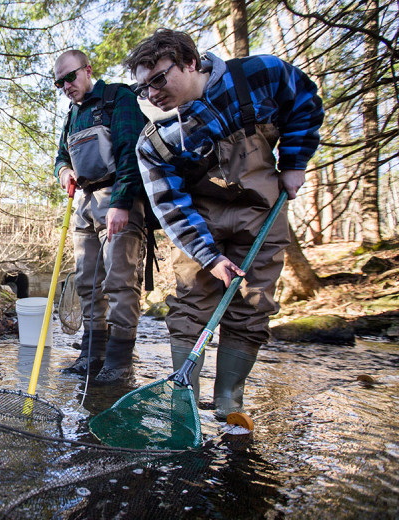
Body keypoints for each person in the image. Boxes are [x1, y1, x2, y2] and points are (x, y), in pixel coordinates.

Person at [127, 29, 323, 418]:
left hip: (263, 210)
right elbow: (171, 208)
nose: (152, 94)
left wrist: (296, 163)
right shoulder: (154, 142)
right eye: (142, 88)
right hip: (200, 223)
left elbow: (305, 100)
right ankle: (183, 404)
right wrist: (209, 257)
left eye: (159, 80)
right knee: (190, 305)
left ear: (190, 62)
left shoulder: (258, 74)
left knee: (252, 306)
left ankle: (229, 403)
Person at [53, 49, 148, 385]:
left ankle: (119, 362)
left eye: (70, 77)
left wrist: (122, 202)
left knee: (120, 281)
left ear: (87, 70)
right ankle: (91, 355)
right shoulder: (71, 117)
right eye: (59, 82)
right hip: (84, 203)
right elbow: (60, 157)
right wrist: (64, 171)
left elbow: (132, 152)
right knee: (87, 284)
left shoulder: (118, 98)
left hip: (118, 198)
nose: (65, 85)